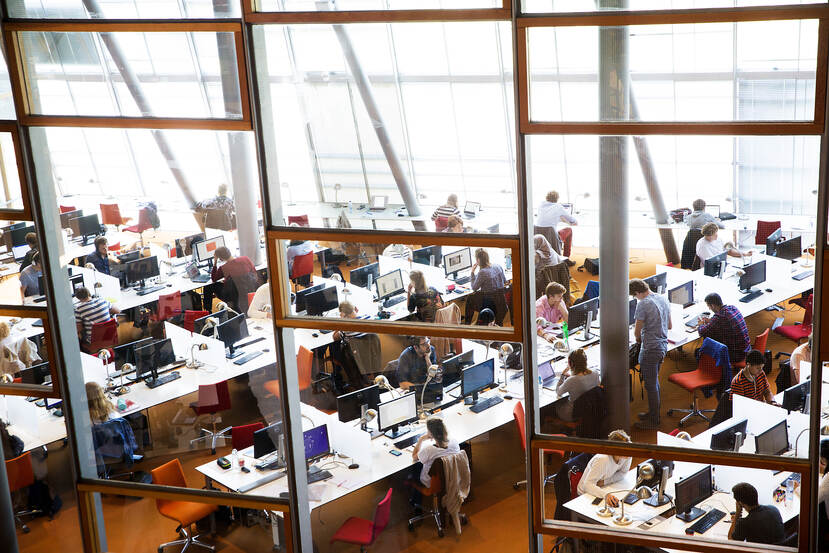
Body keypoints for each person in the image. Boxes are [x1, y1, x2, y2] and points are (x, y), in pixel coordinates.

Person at [630, 278, 671, 430]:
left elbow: (636, 332)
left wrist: (639, 338)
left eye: (634, 296)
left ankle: (654, 420)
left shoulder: (643, 304)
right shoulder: (663, 298)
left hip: (650, 350)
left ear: (637, 293)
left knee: (651, 385)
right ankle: (654, 413)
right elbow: (670, 325)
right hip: (662, 347)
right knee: (654, 382)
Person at [576, 430, 632, 507]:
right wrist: (606, 495)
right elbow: (587, 485)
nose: (629, 452)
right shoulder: (603, 459)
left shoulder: (628, 454)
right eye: (625, 449)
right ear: (614, 449)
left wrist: (604, 482)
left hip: (602, 487)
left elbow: (623, 473)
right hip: (585, 494)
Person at [698, 292, 750, 365]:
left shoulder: (719, 317)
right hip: (746, 349)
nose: (709, 309)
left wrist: (700, 325)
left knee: (704, 343)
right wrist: (711, 320)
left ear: (712, 305)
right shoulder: (732, 308)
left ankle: (712, 371)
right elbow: (722, 320)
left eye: (709, 306)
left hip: (736, 355)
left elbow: (702, 332)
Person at [412, 417, 460, 487]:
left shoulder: (429, 450)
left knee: (415, 468)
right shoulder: (454, 442)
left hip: (433, 483)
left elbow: (414, 457)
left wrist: (420, 440)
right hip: (452, 477)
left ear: (431, 433)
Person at [555, 349, 599, 421]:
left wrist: (562, 375)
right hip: (590, 410)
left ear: (570, 363)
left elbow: (558, 392)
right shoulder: (595, 373)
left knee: (555, 405)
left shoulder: (571, 380)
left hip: (572, 413)